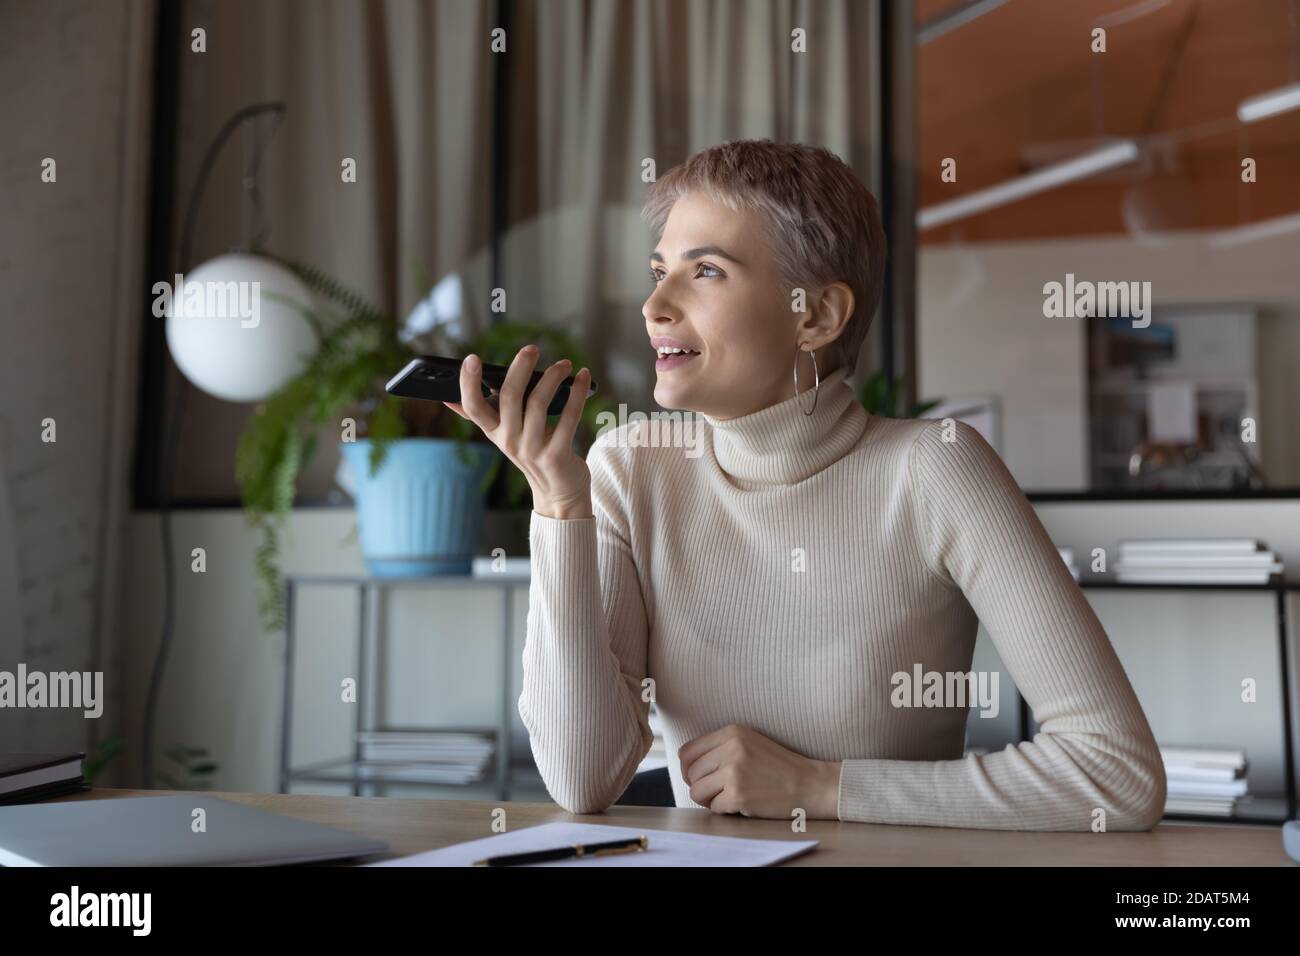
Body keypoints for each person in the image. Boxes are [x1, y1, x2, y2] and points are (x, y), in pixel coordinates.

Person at [443, 139, 1166, 830]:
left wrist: (821, 786)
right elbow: (581, 779)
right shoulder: (630, 467)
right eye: (658, 269)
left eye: (706, 271)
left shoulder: (935, 469)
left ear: (815, 316)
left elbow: (1116, 774)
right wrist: (561, 506)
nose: (654, 305)